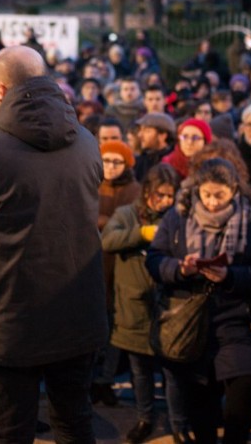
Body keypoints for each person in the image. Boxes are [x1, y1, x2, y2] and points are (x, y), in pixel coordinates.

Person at [0, 45, 108, 443]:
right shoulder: (85, 140)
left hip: (12, 319)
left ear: (0, 91)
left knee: (11, 431)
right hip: (78, 311)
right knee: (75, 423)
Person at [146, 158, 251, 444]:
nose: (212, 202)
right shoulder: (178, 217)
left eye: (219, 195)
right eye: (206, 194)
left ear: (234, 190)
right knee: (200, 406)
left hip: (240, 323)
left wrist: (230, 276)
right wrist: (180, 269)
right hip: (192, 323)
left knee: (241, 405)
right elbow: (155, 260)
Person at [101, 164, 179, 443]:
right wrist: (142, 233)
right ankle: (145, 417)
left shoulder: (177, 217)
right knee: (140, 372)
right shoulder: (127, 214)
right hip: (133, 307)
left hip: (170, 307)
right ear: (147, 192)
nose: (165, 201)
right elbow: (107, 240)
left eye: (170, 195)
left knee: (171, 372)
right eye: (160, 195)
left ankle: (177, 422)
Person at [91, 139, 141, 406]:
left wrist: (104, 223)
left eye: (116, 161)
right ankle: (91, 380)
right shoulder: (90, 181)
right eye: (106, 160)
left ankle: (105, 380)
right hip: (91, 262)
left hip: (120, 265)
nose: (110, 166)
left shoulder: (134, 190)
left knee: (115, 327)